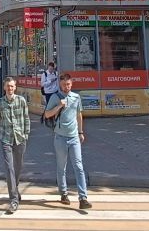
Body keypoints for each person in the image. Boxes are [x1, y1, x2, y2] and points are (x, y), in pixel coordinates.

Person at [44, 73, 90, 209]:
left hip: (74, 137)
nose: (66, 87)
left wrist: (81, 132)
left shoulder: (76, 97)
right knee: (61, 167)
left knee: (79, 167)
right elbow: (47, 114)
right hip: (60, 137)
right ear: (60, 84)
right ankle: (63, 193)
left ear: (71, 84)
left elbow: (79, 114)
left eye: (68, 84)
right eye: (64, 85)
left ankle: (83, 198)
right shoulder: (55, 97)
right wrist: (59, 106)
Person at [0, 77, 30, 214]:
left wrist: (26, 134)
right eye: (8, 86)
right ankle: (13, 200)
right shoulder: (0, 103)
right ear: (4, 87)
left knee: (18, 167)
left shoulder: (21, 101)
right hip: (6, 139)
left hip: (20, 139)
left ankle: (15, 188)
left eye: (12, 86)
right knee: (9, 168)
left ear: (15, 87)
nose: (10, 88)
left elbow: (26, 118)